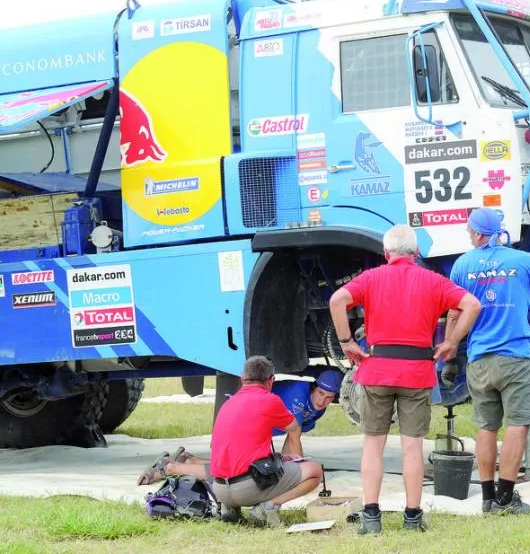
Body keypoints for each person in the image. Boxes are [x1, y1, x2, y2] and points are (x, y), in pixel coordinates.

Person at [329, 225, 481, 534]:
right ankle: (412, 517)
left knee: (373, 445)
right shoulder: (433, 280)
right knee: (412, 448)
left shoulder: (371, 277)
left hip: (377, 370)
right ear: (416, 252)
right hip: (417, 372)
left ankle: (371, 517)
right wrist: (451, 342)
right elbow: (472, 305)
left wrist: (346, 342)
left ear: (386, 253)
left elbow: (336, 300)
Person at [448, 208, 530, 514]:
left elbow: (454, 312)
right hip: (515, 358)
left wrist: (449, 354)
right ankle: (506, 498)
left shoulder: (462, 265)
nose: (468, 235)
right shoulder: (522, 261)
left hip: (479, 360)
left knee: (486, 428)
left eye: (469, 230)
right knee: (519, 423)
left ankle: (488, 499)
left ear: (478, 233)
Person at [138, 369, 343, 487]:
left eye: (329, 397)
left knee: (248, 467)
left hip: (250, 433)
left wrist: (288, 467)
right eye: (321, 394)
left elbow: (293, 437)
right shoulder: (290, 397)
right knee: (243, 473)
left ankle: (188, 460)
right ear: (270, 382)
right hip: (245, 434)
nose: (323, 401)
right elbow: (294, 434)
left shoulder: (252, 398)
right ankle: (171, 467)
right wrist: (297, 473)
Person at [206, 356, 323, 527]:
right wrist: (294, 459)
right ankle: (268, 507)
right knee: (315, 471)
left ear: (242, 378)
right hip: (246, 489)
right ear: (271, 381)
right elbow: (294, 427)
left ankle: (230, 508)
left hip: (219, 490)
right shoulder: (270, 400)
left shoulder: (228, 403)